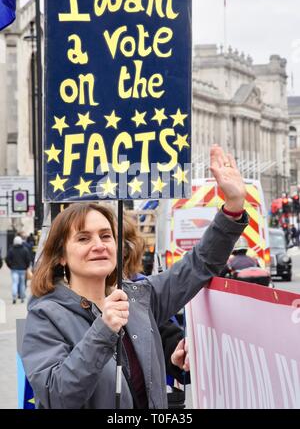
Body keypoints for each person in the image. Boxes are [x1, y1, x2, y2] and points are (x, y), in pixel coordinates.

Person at [21, 145, 248, 409]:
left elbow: (200, 264)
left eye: (106, 236)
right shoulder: (45, 315)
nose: (99, 244)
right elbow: (57, 396)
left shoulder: (139, 296)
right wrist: (103, 330)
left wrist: (233, 206)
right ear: (61, 255)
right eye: (84, 238)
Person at [122, 213, 190, 408]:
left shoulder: (142, 293)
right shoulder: (57, 309)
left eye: (107, 237)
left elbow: (172, 348)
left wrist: (182, 356)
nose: (99, 247)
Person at [5, 235, 31, 304]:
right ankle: (22, 297)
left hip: (14, 269)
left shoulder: (11, 250)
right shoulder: (25, 250)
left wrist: (10, 266)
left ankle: (14, 297)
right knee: (22, 284)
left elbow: (7, 259)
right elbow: (28, 260)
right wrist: (26, 267)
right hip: (22, 270)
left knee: (14, 283)